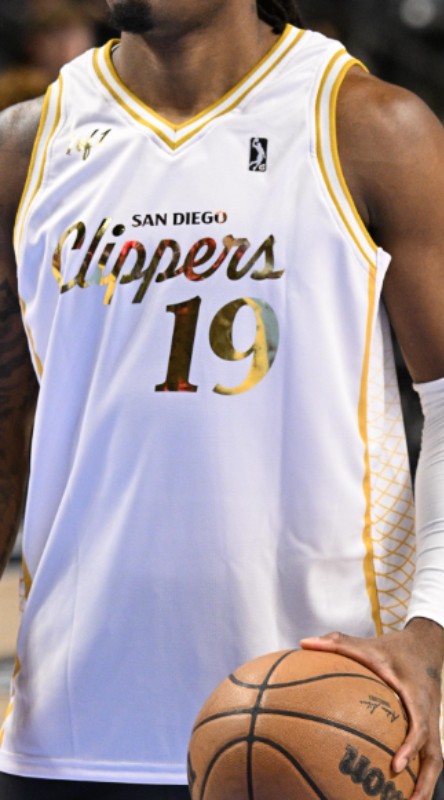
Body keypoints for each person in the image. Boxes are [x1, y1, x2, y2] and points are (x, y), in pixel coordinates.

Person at [0, 1, 443, 798]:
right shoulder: (25, 147)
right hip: (69, 731)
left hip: (332, 721)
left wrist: (430, 634)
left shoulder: (371, 127)